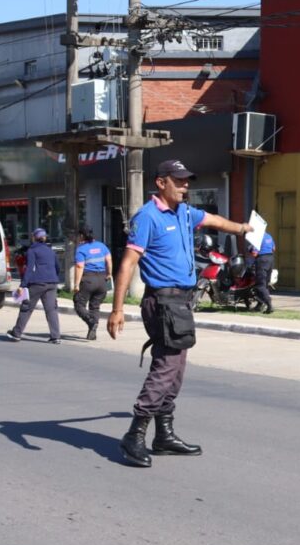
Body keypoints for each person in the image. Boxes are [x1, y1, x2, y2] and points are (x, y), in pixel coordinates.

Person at [107, 159, 253, 468]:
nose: (185, 186)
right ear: (161, 183)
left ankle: (164, 435)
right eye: (179, 181)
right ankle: (135, 435)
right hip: (163, 301)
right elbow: (127, 263)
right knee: (165, 367)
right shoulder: (147, 217)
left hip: (182, 303)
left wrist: (241, 228)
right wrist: (117, 309)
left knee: (176, 369)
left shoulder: (185, 212)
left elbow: (213, 219)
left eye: (187, 181)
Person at [7, 227, 62, 344]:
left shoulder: (32, 251)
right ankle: (56, 336)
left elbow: (29, 269)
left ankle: (16, 333)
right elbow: (58, 267)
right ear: (44, 238)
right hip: (52, 283)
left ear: (34, 238)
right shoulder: (51, 251)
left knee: (26, 308)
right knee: (51, 309)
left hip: (37, 283)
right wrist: (52, 278)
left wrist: (22, 285)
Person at [73, 227, 113, 340]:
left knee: (79, 304)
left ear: (81, 236)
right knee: (95, 306)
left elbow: (80, 266)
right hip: (102, 279)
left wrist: (76, 284)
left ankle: (90, 321)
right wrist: (109, 274)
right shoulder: (102, 246)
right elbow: (109, 260)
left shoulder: (81, 249)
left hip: (88, 280)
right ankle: (92, 331)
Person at [248, 231, 275, 314]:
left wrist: (250, 249)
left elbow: (254, 253)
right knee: (265, 284)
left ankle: (269, 304)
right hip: (270, 259)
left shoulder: (258, 237)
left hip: (262, 260)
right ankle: (259, 306)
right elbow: (274, 248)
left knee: (260, 285)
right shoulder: (269, 236)